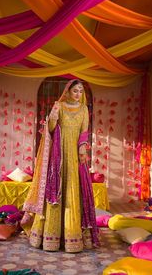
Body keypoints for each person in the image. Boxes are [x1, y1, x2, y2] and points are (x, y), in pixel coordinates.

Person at [21, 79, 99, 252]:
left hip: (75, 156)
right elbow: (50, 129)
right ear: (68, 91)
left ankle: (72, 236)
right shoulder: (60, 106)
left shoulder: (84, 109)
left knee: (73, 191)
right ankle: (51, 237)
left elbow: (84, 132)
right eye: (75, 91)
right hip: (58, 154)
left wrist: (82, 149)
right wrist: (53, 117)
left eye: (81, 91)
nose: (78, 94)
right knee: (55, 190)